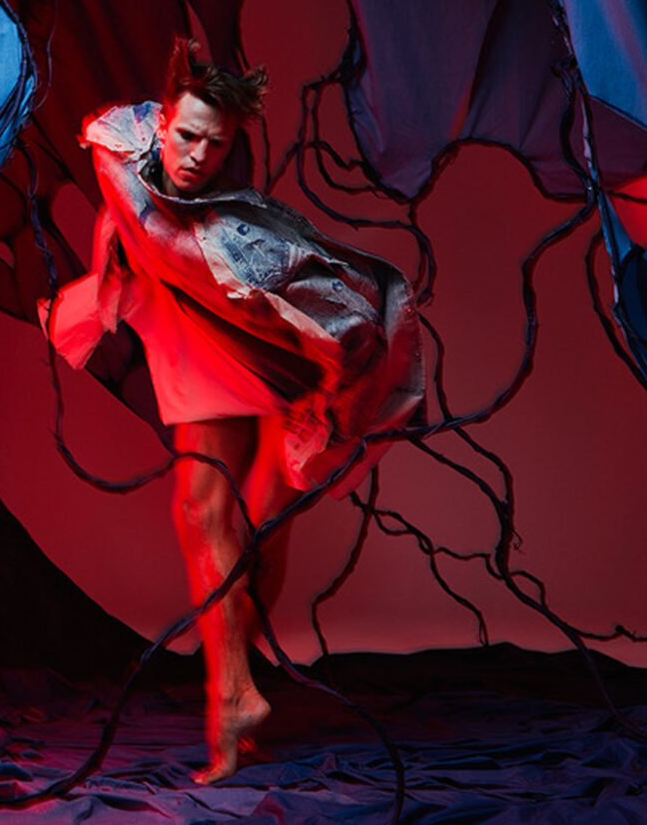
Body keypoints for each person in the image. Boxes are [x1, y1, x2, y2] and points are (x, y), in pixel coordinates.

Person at [42, 38, 424, 784]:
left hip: (280, 361)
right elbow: (106, 142)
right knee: (201, 509)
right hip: (193, 336)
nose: (198, 156)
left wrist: (345, 356)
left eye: (215, 144)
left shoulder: (236, 223)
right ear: (163, 122)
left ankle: (238, 681)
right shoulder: (129, 159)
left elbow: (322, 294)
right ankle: (234, 693)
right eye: (188, 135)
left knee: (262, 522)